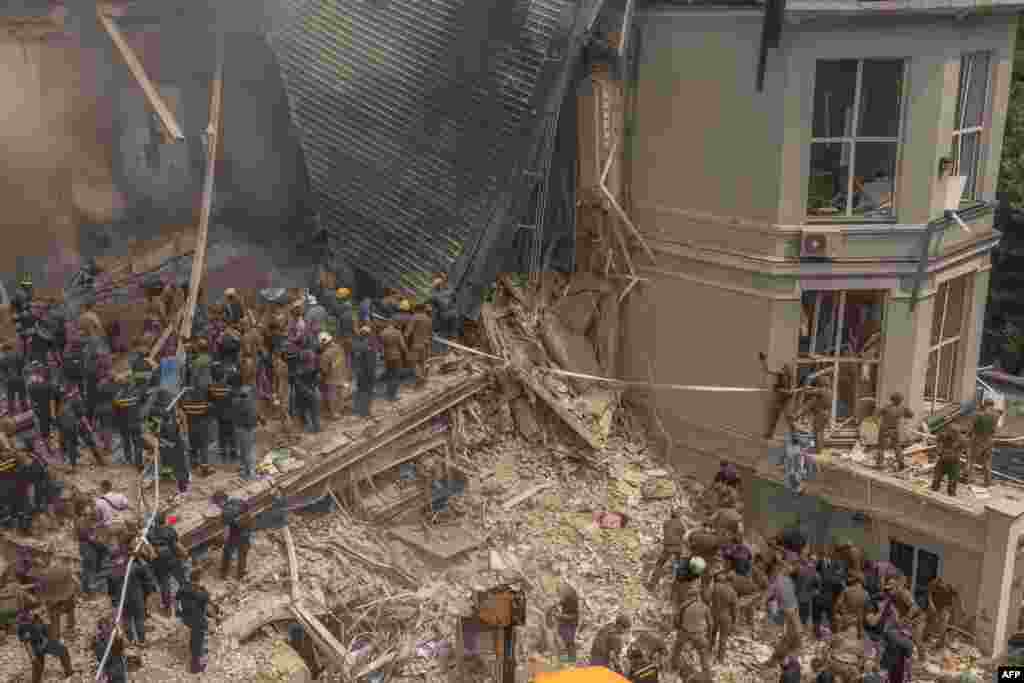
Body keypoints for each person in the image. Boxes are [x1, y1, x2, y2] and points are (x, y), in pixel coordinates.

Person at [148, 509, 188, 617]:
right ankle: (188, 597)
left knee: (164, 584)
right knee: (181, 579)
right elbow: (177, 544)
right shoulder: (169, 530)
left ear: (154, 521)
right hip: (172, 559)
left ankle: (167, 608)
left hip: (159, 562)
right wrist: (185, 554)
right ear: (164, 520)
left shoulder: (149, 532)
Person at [16, 608, 74, 682]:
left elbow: (48, 632)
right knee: (37, 666)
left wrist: (46, 622)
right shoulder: (23, 625)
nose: (32, 614)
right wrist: (33, 658)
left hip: (45, 642)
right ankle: (35, 680)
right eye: (30, 614)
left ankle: (69, 673)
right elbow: (27, 644)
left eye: (32, 612)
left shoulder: (38, 617)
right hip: (35, 647)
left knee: (63, 650)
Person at [176, 568, 217, 674]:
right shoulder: (202, 593)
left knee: (195, 638)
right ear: (200, 579)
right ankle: (196, 667)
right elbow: (209, 607)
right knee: (198, 643)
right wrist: (215, 617)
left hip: (186, 618)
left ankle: (193, 649)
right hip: (198, 621)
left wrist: (178, 611)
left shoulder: (183, 587)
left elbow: (176, 600)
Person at [181, 337, 213, 469]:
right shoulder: (209, 359)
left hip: (193, 404)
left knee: (193, 437)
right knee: (204, 439)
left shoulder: (195, 363)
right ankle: (204, 465)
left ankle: (193, 461)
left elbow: (191, 378)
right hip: (203, 398)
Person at [214, 490, 252, 581]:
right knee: (242, 554)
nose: (217, 506)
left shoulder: (226, 512)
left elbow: (225, 528)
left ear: (221, 501)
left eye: (217, 503)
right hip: (246, 531)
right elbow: (247, 508)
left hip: (234, 535)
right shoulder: (238, 500)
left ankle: (223, 574)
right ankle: (240, 574)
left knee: (227, 552)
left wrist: (222, 540)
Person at [759, 352, 795, 439]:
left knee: (789, 418)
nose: (784, 370)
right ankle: (769, 434)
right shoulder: (781, 374)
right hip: (779, 398)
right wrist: (763, 361)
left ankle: (794, 436)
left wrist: (789, 392)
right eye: (785, 368)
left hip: (786, 399)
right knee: (774, 417)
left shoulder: (790, 378)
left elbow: (791, 390)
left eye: (786, 368)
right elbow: (767, 370)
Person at [648, 509, 686, 589]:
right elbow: (683, 533)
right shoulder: (681, 524)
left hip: (667, 547)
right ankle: (677, 583)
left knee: (659, 564)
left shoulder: (666, 523)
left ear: (671, 515)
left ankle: (652, 584)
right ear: (679, 516)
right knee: (678, 564)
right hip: (677, 548)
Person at [815, 546, 847, 639]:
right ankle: (819, 636)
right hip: (822, 596)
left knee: (831, 618)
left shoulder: (837, 564)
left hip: (831, 596)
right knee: (819, 618)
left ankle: (833, 635)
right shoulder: (820, 563)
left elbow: (840, 581)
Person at [875, 393, 914, 470]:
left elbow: (877, 414)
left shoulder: (886, 407)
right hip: (895, 430)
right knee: (897, 447)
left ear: (892, 400)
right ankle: (901, 463)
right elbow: (911, 415)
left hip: (885, 429)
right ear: (900, 400)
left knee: (881, 447)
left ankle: (879, 463)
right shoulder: (902, 408)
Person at [793, 375, 832, 452]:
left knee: (817, 432)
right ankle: (819, 449)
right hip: (826, 414)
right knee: (820, 432)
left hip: (820, 414)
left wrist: (805, 387)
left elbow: (808, 392)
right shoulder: (829, 391)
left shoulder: (822, 390)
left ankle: (818, 450)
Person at [970, 397, 1002, 486]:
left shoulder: (979, 414)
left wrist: (967, 435)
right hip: (989, 440)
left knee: (972, 460)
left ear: (984, 404)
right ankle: (987, 481)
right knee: (987, 462)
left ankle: (968, 478)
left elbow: (972, 427)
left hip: (978, 439)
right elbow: (999, 412)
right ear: (992, 405)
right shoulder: (996, 415)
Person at [232, 382, 259, 479]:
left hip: (238, 428)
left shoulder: (235, 402)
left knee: (243, 450)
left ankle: (244, 469)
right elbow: (252, 418)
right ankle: (250, 473)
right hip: (247, 429)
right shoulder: (250, 404)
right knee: (249, 451)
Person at [931, 423, 968, 496]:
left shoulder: (961, 439)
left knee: (953, 481)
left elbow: (967, 450)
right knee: (936, 477)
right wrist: (939, 450)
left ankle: (951, 493)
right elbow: (937, 441)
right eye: (950, 432)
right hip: (943, 460)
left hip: (954, 462)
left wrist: (965, 460)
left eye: (954, 433)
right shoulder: (943, 435)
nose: (951, 435)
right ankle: (934, 490)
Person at [319, 333, 349, 420]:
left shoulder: (326, 354)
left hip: (331, 379)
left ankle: (334, 413)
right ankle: (340, 410)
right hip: (342, 375)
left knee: (332, 396)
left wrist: (321, 378)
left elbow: (324, 370)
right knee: (340, 395)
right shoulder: (339, 348)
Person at [404, 302, 433, 388]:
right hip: (426, 344)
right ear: (423, 309)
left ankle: (420, 378)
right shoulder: (428, 319)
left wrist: (404, 342)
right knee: (422, 362)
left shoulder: (415, 317)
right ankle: (422, 381)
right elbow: (431, 334)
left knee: (412, 362)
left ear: (416, 309)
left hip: (416, 343)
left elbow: (407, 333)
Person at [925, 576, 957, 653]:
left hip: (946, 608)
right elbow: (929, 594)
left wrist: (961, 608)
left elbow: (957, 596)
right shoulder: (933, 585)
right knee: (931, 623)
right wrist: (931, 604)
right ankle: (928, 637)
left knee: (943, 626)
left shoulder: (949, 587)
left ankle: (941, 644)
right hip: (937, 606)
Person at [379, 318, 407, 402]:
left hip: (387, 357)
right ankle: (393, 395)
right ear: (393, 324)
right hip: (396, 356)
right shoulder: (397, 333)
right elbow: (402, 346)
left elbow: (380, 347)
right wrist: (406, 353)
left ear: (387, 324)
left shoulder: (382, 333)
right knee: (395, 376)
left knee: (389, 375)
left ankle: (388, 394)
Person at [352, 326, 376, 417]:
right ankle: (365, 411)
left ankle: (359, 410)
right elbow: (370, 362)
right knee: (368, 392)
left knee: (361, 391)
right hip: (367, 372)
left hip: (360, 372)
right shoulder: (369, 345)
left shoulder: (357, 344)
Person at [93, 617, 127, 683]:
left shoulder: (113, 637)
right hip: (109, 670)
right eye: (104, 629)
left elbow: (121, 646)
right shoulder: (99, 642)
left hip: (118, 668)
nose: (107, 631)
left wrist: (118, 631)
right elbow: (103, 658)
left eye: (108, 628)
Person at [553, 583, 580, 662]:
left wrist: (560, 616)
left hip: (569, 624)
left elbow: (572, 616)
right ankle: (566, 658)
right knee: (563, 640)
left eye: (560, 593)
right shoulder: (567, 599)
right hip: (566, 623)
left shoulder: (572, 602)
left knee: (568, 641)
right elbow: (561, 602)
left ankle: (571, 659)